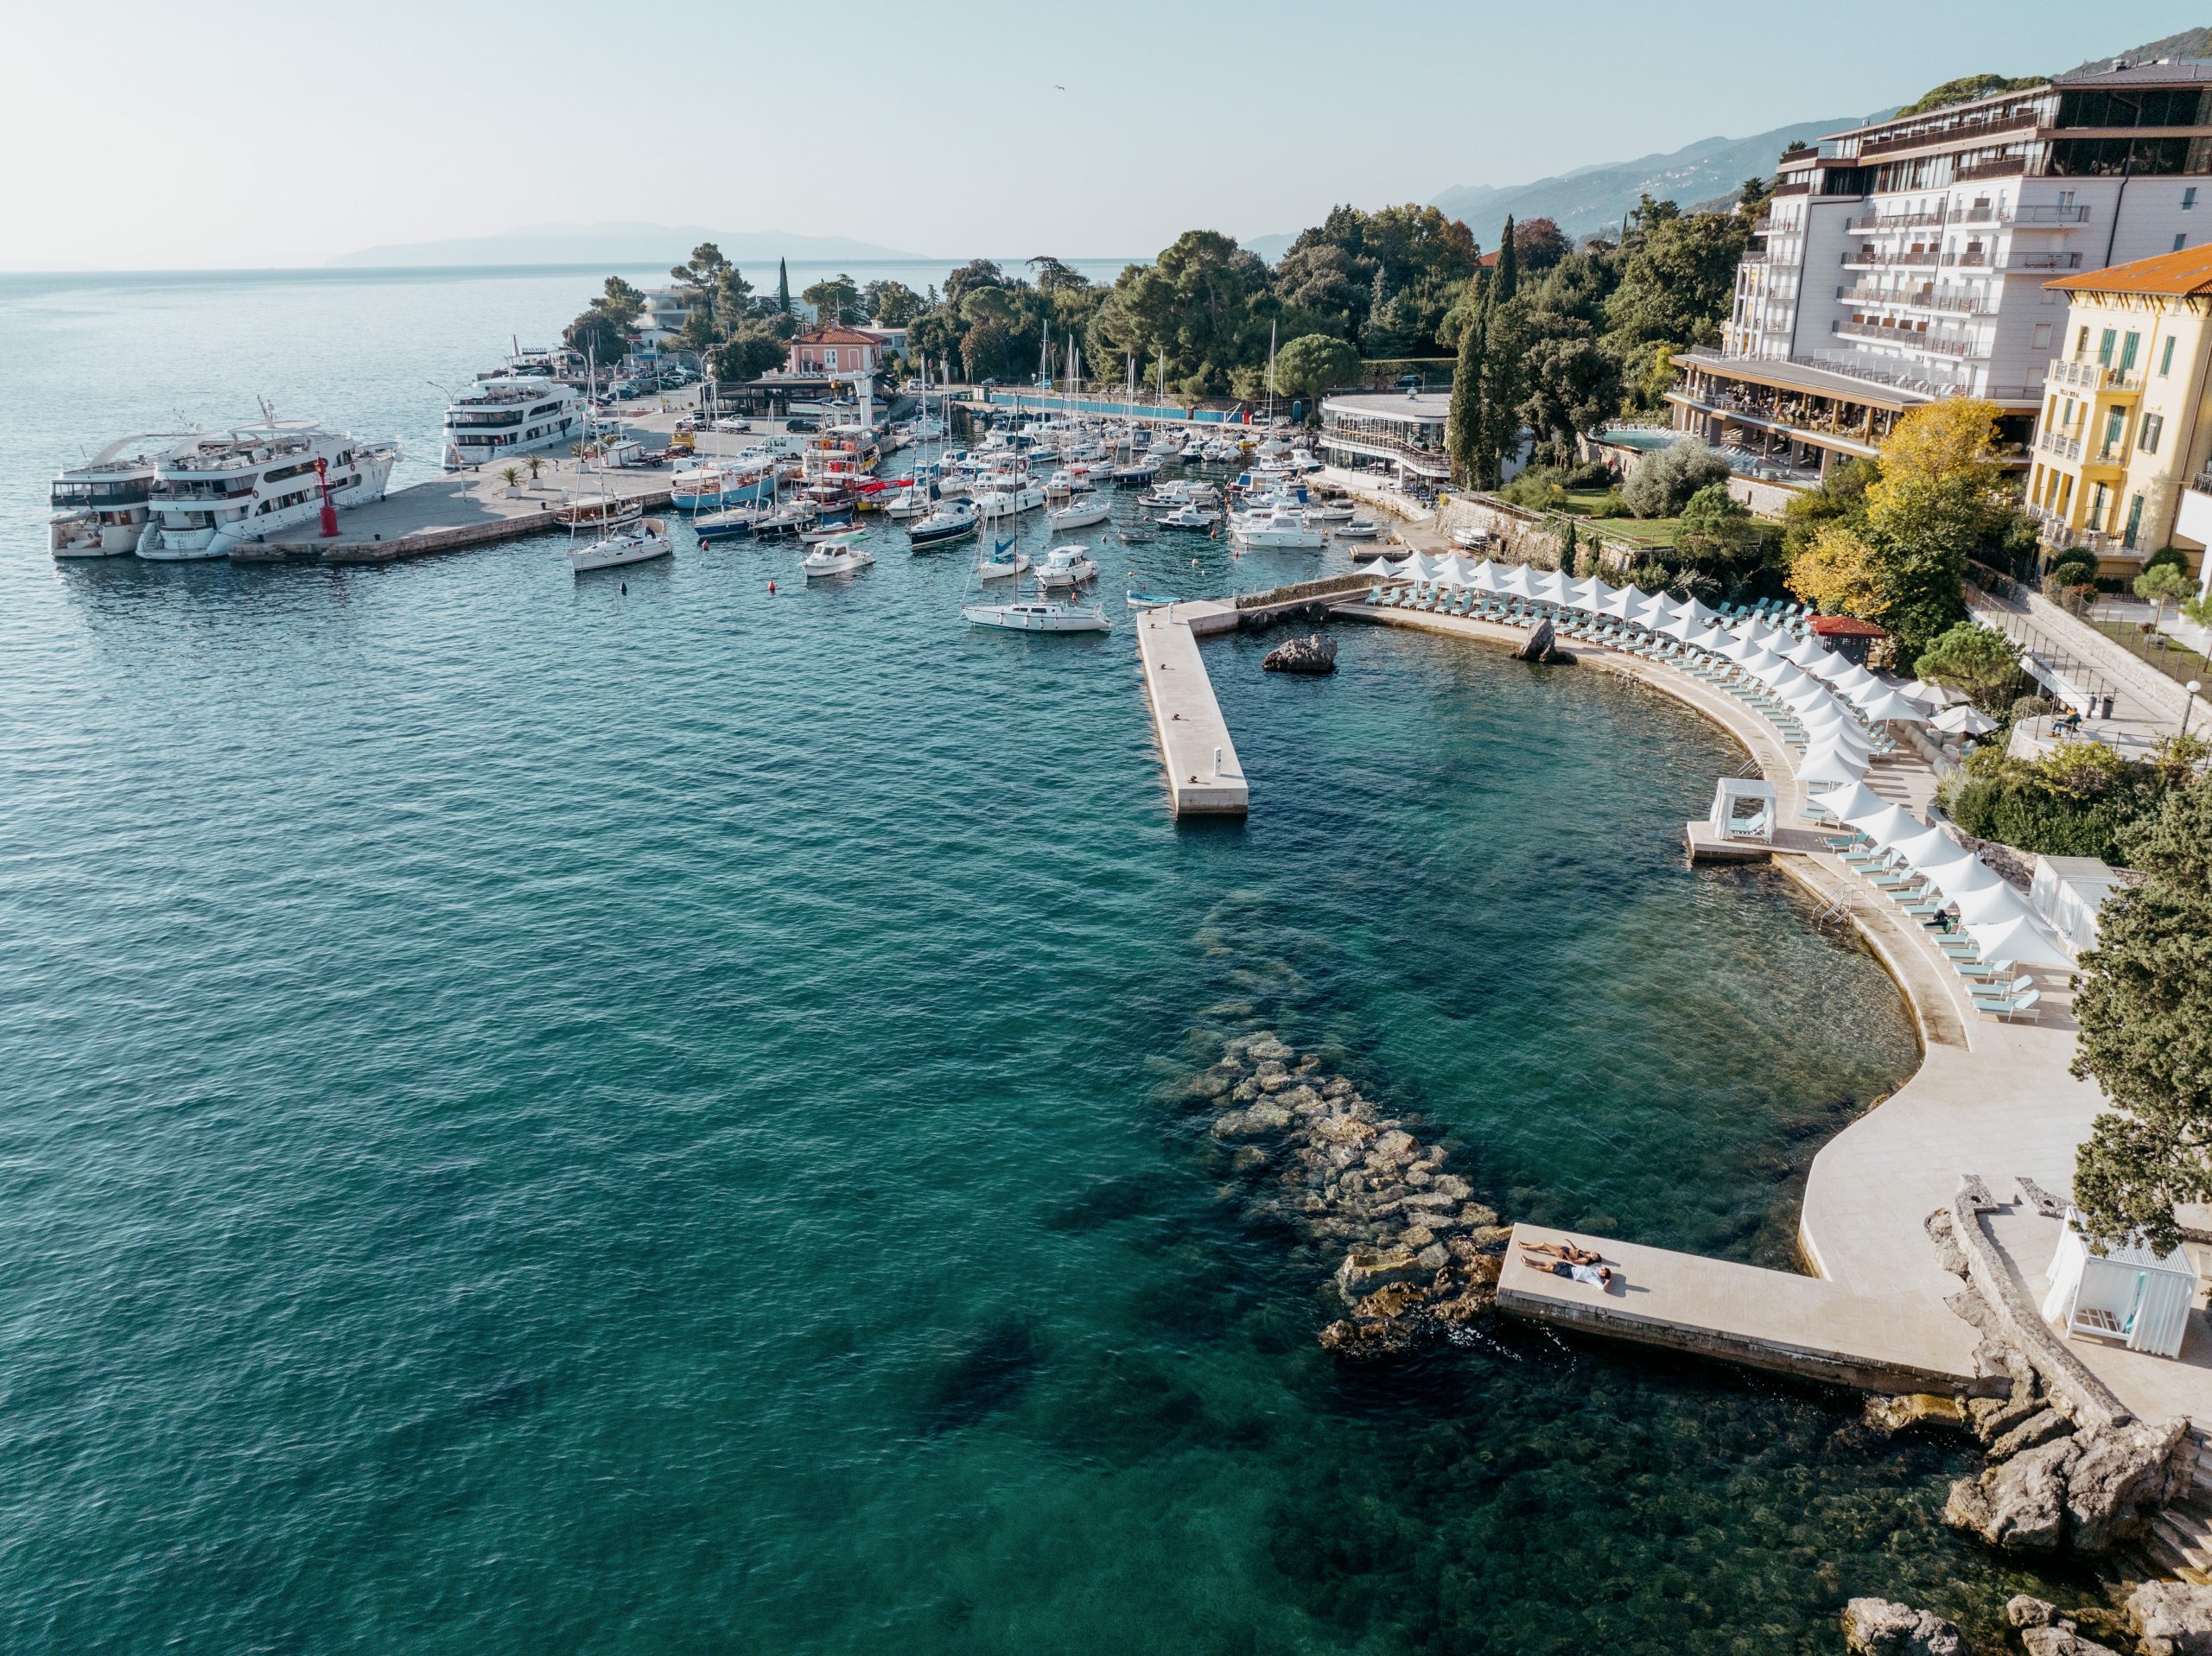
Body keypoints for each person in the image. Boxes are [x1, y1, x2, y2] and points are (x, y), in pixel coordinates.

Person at [1518, 1237, 1603, 1266]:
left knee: (1544, 1245)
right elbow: (1577, 1249)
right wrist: (1570, 1243)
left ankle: (1524, 1246)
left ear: (1593, 1259)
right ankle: (1528, 1245)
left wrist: (1565, 1254)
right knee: (1545, 1247)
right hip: (1564, 1248)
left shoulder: (1586, 1260)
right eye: (1595, 1253)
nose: (1594, 1253)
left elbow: (1574, 1261)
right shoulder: (1587, 1252)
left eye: (1595, 1256)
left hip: (1562, 1253)